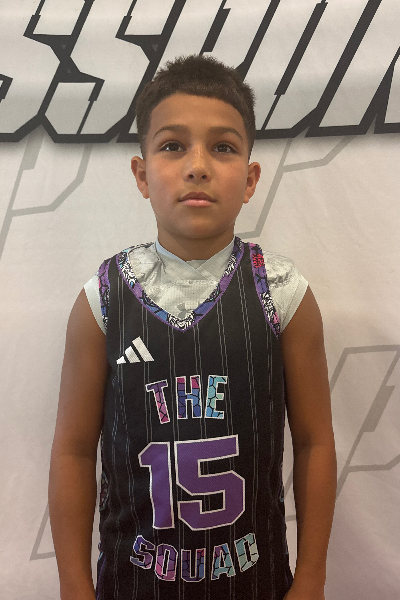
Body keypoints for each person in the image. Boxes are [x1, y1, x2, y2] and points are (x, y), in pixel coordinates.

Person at [48, 55, 337, 600]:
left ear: (250, 178)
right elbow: (73, 451)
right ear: (142, 175)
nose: (198, 166)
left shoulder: (284, 294)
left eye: (223, 147)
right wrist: (73, 586)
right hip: (133, 584)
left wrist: (312, 578)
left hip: (256, 582)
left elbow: (315, 441)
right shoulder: (102, 299)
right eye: (173, 145)